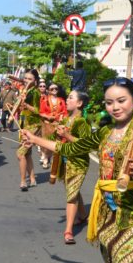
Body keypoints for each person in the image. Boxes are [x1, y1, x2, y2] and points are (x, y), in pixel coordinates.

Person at [21, 77, 133, 262]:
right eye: (109, 102)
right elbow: (71, 148)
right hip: (106, 209)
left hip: (132, 212)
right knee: (111, 257)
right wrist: (35, 139)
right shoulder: (105, 133)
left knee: (122, 258)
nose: (115, 107)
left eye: (122, 101)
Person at [55, 90, 91, 245]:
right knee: (73, 190)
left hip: (78, 163)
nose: (67, 100)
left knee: (71, 194)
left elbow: (86, 145)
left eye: (70, 98)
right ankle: (83, 216)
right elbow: (56, 139)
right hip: (65, 161)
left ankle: (68, 231)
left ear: (79, 103)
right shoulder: (66, 119)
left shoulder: (81, 122)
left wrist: (67, 136)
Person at [15, 69, 42, 191]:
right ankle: (32, 179)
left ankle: (22, 181)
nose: (26, 80)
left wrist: (26, 105)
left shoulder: (35, 92)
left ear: (35, 81)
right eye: (25, 78)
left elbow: (38, 111)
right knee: (27, 154)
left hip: (34, 125)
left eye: (30, 79)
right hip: (25, 124)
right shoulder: (25, 90)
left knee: (20, 153)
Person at [39, 83, 67, 169]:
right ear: (48, 91)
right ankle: (46, 158)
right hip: (47, 125)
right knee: (46, 143)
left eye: (56, 88)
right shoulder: (45, 100)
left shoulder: (61, 101)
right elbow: (41, 112)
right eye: (52, 89)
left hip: (57, 124)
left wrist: (63, 118)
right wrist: (48, 116)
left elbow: (65, 112)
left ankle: (49, 158)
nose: (54, 90)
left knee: (55, 144)